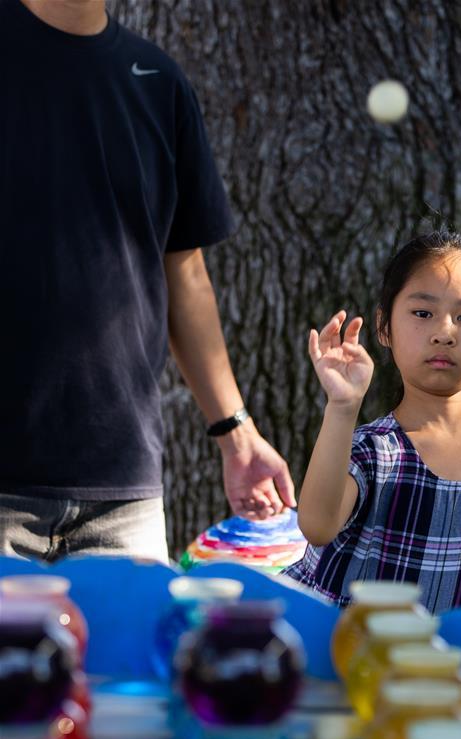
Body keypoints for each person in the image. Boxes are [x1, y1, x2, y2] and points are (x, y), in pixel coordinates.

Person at [0, 0, 295, 564]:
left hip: (123, 496)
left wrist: (237, 433)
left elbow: (185, 275)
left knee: (132, 657)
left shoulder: (158, 82)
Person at [283, 231, 461, 618]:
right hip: (347, 668)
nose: (445, 333)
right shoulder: (372, 451)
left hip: (454, 673)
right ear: (384, 327)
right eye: (423, 313)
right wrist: (343, 407)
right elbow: (316, 525)